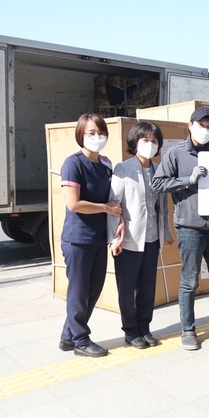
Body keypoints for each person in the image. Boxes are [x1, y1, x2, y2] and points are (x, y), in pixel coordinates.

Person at [152, 106, 209, 350]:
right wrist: (188, 180)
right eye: (201, 125)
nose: (205, 130)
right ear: (190, 126)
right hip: (189, 227)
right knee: (189, 281)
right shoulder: (176, 153)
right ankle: (188, 330)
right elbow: (158, 183)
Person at [59, 113, 122, 358]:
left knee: (94, 289)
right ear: (81, 135)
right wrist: (106, 208)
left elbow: (113, 197)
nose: (97, 137)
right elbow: (73, 204)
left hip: (98, 237)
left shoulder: (105, 164)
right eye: (91, 133)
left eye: (101, 133)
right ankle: (81, 340)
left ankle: (68, 336)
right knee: (79, 292)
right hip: (78, 239)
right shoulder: (73, 163)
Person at [107, 121, 173, 349]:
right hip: (129, 240)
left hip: (152, 238)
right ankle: (130, 330)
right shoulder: (123, 168)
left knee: (147, 287)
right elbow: (113, 205)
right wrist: (114, 239)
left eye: (154, 141)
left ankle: (144, 327)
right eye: (145, 140)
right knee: (127, 288)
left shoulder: (159, 169)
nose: (150, 144)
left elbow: (162, 206)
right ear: (135, 142)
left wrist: (166, 231)